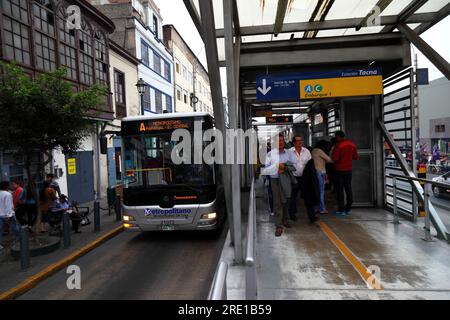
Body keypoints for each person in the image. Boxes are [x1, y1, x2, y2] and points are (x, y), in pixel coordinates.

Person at [262, 134, 298, 237]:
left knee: (286, 200)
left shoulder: (289, 153)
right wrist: (277, 167)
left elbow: (294, 163)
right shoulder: (270, 154)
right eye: (278, 141)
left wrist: (285, 166)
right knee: (277, 202)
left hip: (286, 179)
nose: (280, 143)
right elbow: (267, 168)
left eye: (282, 141)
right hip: (275, 180)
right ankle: (278, 225)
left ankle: (285, 219)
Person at [331, 131, 360, 216]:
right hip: (348, 170)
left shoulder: (338, 146)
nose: (336, 139)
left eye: (336, 137)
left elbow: (335, 158)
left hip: (338, 170)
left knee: (339, 190)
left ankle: (341, 209)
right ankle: (348, 208)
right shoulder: (352, 145)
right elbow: (356, 157)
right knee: (348, 189)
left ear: (338, 137)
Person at [288, 135, 312, 221]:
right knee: (293, 197)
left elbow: (310, 165)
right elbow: (287, 165)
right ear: (294, 142)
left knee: (308, 197)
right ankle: (292, 214)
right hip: (293, 178)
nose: (300, 142)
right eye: (298, 141)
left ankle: (311, 216)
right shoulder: (289, 152)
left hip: (304, 178)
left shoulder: (307, 151)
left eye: (301, 140)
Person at [312, 140, 334, 214]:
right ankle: (322, 209)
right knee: (321, 191)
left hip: (317, 172)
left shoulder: (314, 150)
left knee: (317, 191)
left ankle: (316, 208)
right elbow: (329, 160)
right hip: (321, 172)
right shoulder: (319, 151)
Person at [0, 181, 20, 251]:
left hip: (0, 214)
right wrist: (8, 216)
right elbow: (8, 205)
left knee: (0, 229)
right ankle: (19, 238)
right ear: (6, 186)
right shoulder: (8, 194)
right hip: (8, 215)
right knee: (14, 227)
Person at [301, 158, 321, 224]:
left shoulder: (307, 170)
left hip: (308, 190)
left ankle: (312, 217)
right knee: (310, 204)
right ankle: (312, 218)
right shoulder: (311, 171)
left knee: (310, 204)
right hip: (310, 190)